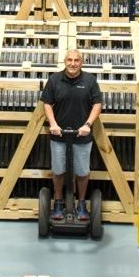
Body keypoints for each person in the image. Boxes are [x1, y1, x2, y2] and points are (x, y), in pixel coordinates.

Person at [40, 48, 102, 211]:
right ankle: (59, 201)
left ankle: (81, 203)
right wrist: (53, 124)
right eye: (70, 60)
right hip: (59, 135)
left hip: (82, 135)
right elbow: (47, 103)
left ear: (81, 63)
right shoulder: (54, 80)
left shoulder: (90, 80)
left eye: (76, 60)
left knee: (82, 172)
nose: (73, 64)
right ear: (65, 61)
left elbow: (97, 104)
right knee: (58, 170)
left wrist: (87, 125)